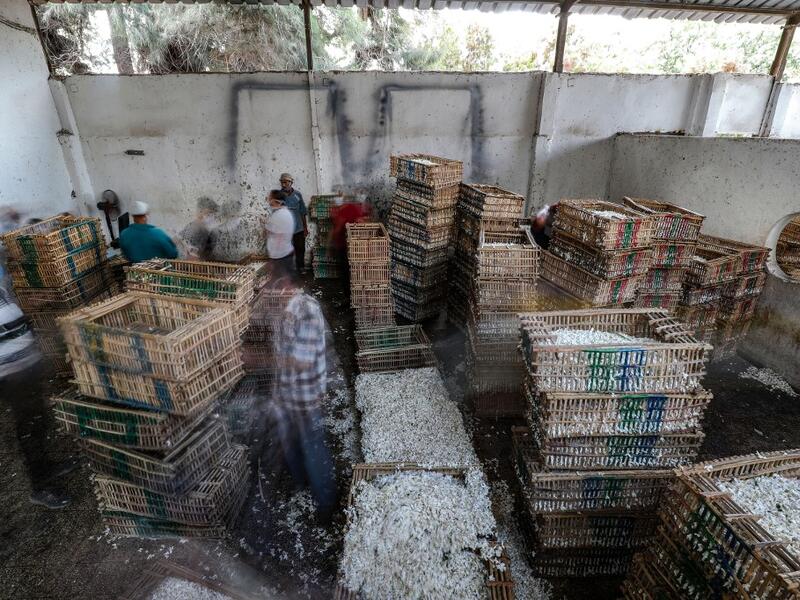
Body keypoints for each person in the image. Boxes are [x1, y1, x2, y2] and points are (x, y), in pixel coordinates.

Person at [268, 274, 336, 521]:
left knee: (313, 446)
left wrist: (261, 359)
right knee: (290, 442)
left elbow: (302, 362)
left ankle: (327, 504)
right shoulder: (281, 309)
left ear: (288, 285)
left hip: (306, 398)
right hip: (286, 395)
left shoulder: (307, 311)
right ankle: (300, 484)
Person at [280, 173, 308, 274]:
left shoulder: (297, 194)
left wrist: (305, 227)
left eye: (286, 182)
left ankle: (301, 267)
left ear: (291, 183)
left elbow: (303, 211)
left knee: (300, 248)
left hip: (298, 227)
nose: (283, 185)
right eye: (282, 182)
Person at [265, 190, 296, 278]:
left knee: (281, 282)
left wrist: (272, 260)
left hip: (280, 256)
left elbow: (273, 234)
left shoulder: (278, 216)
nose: (269, 202)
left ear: (277, 202)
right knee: (286, 281)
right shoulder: (286, 213)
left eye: (270, 199)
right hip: (286, 253)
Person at [179, 196, 219, 261]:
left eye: (212, 214)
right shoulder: (191, 227)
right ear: (200, 212)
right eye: (208, 213)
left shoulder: (210, 232)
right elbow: (178, 240)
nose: (212, 217)